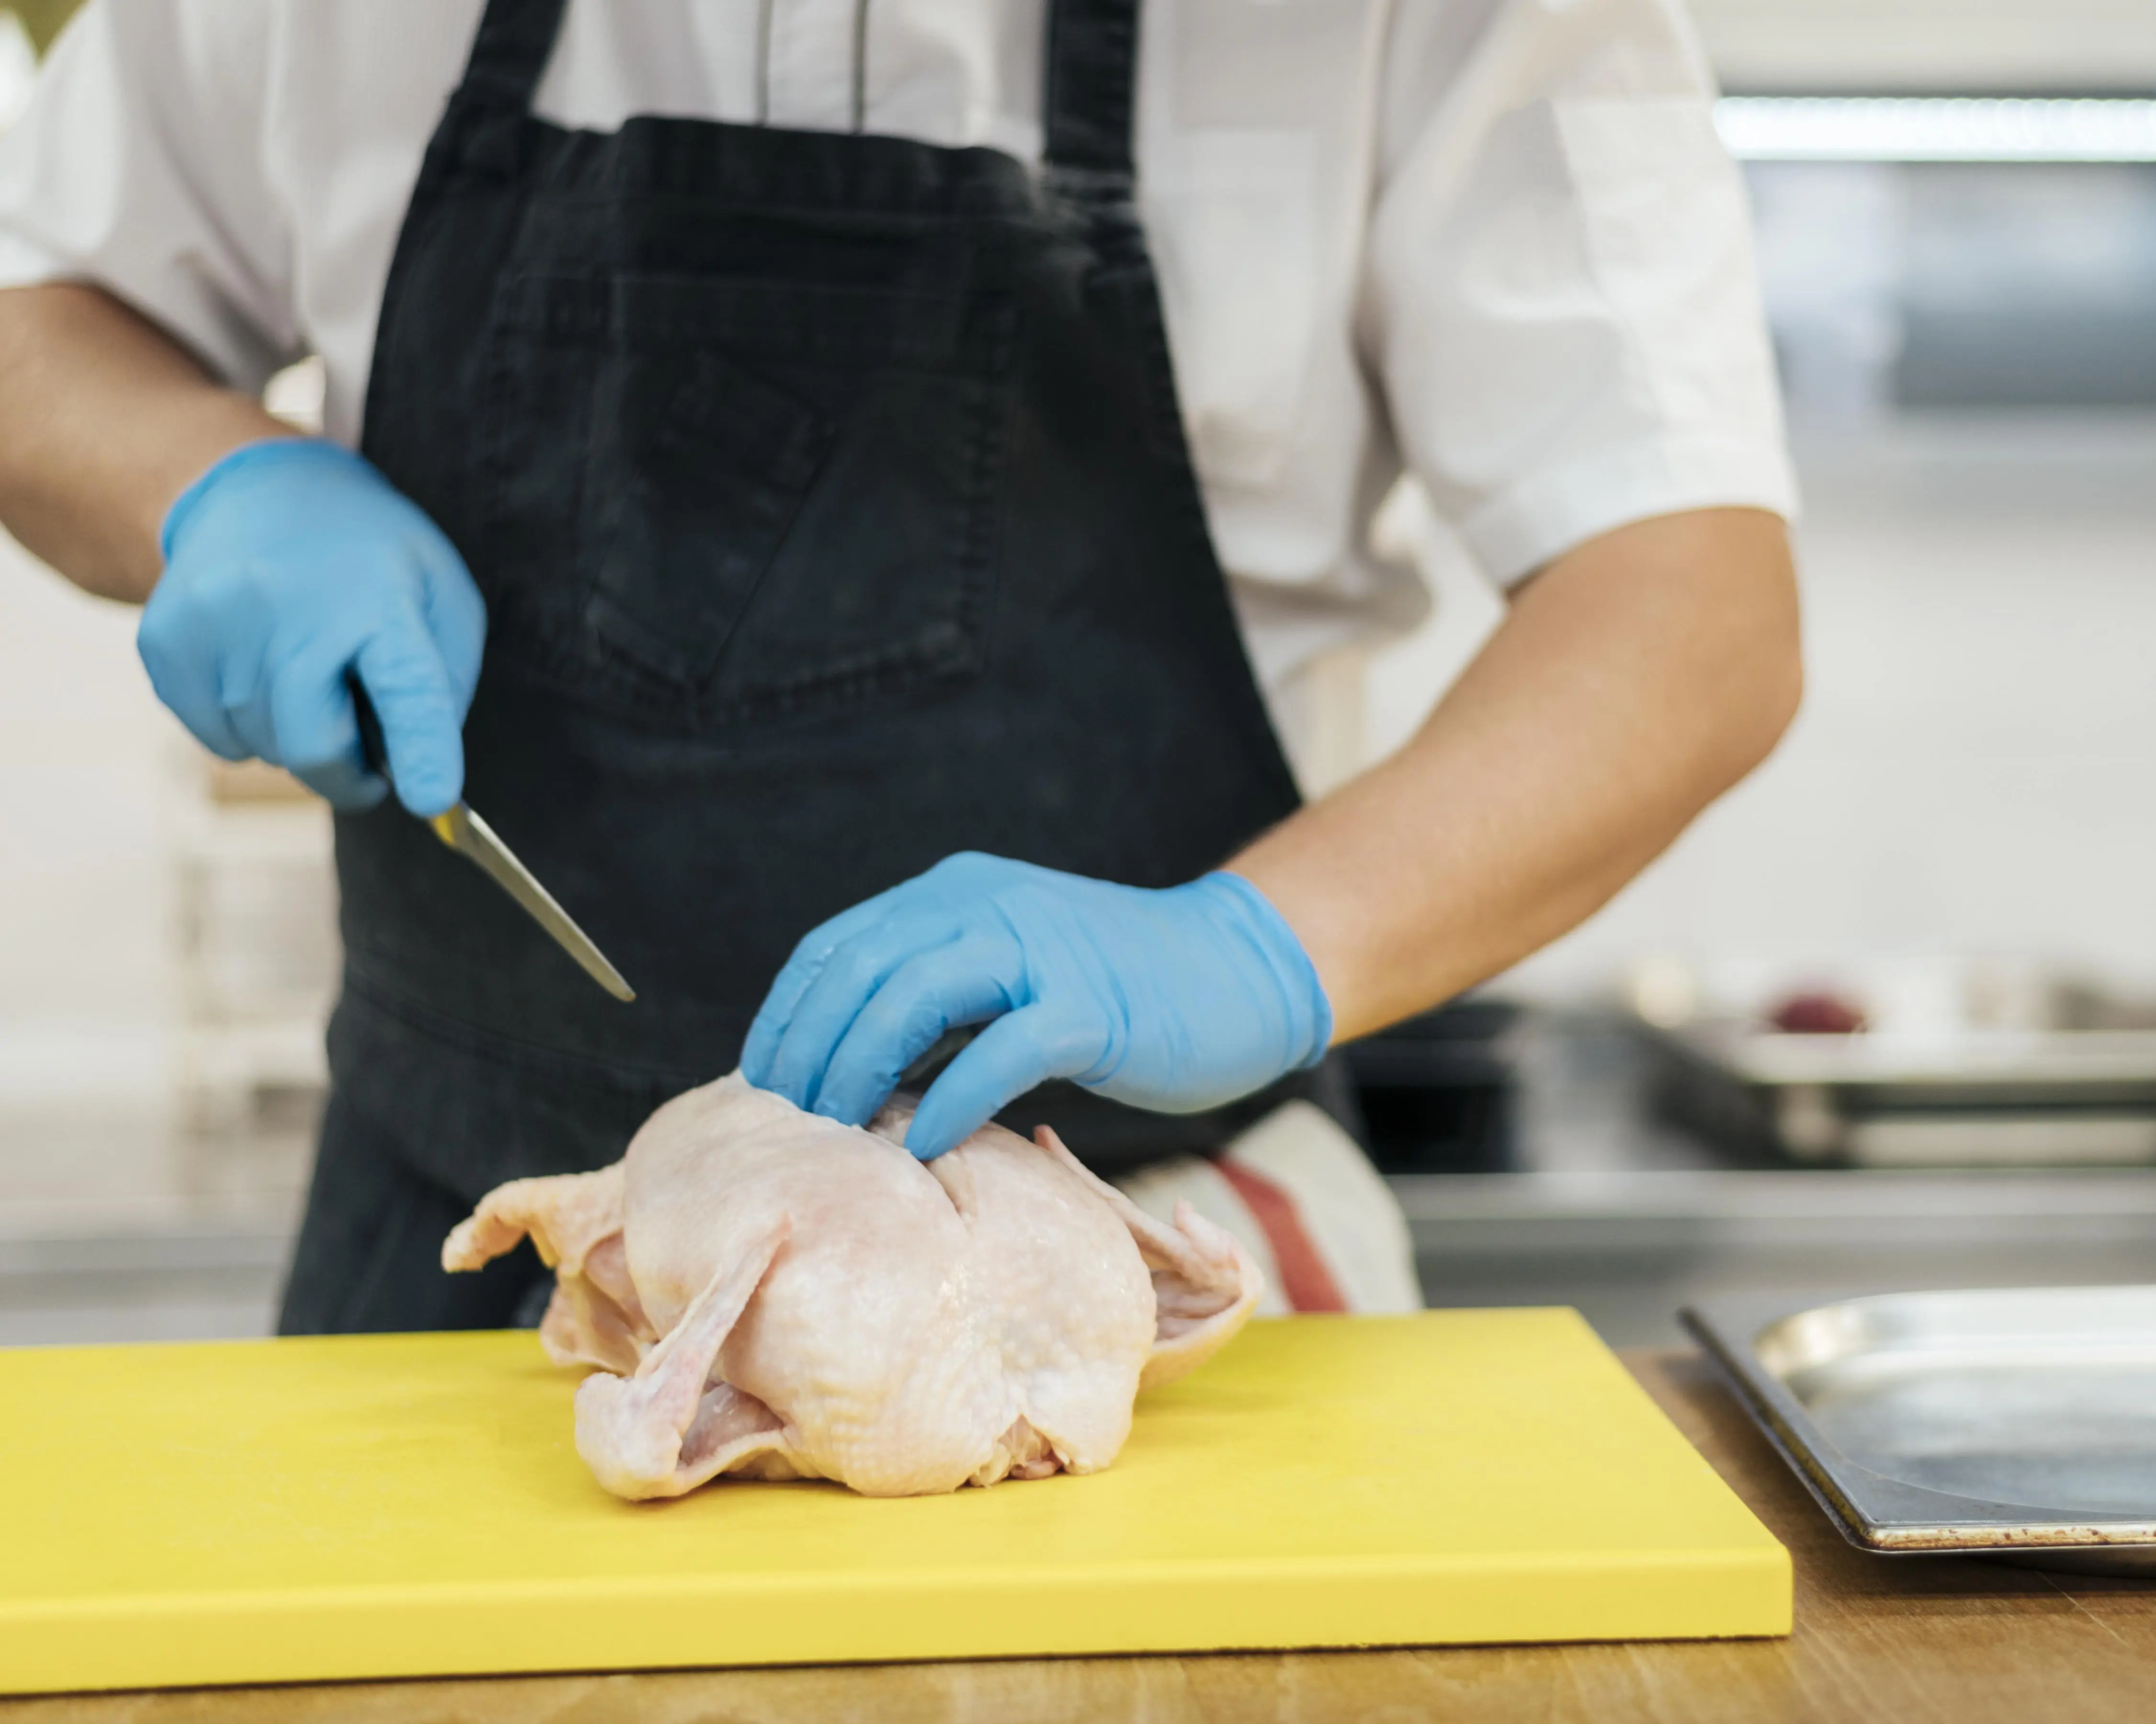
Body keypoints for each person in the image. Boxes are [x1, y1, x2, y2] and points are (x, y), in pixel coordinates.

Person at [0, 0, 1801, 1332]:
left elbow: (1691, 594)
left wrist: (1252, 947)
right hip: (471, 1263)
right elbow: (40, 307)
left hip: (1149, 1292)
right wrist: (206, 488)